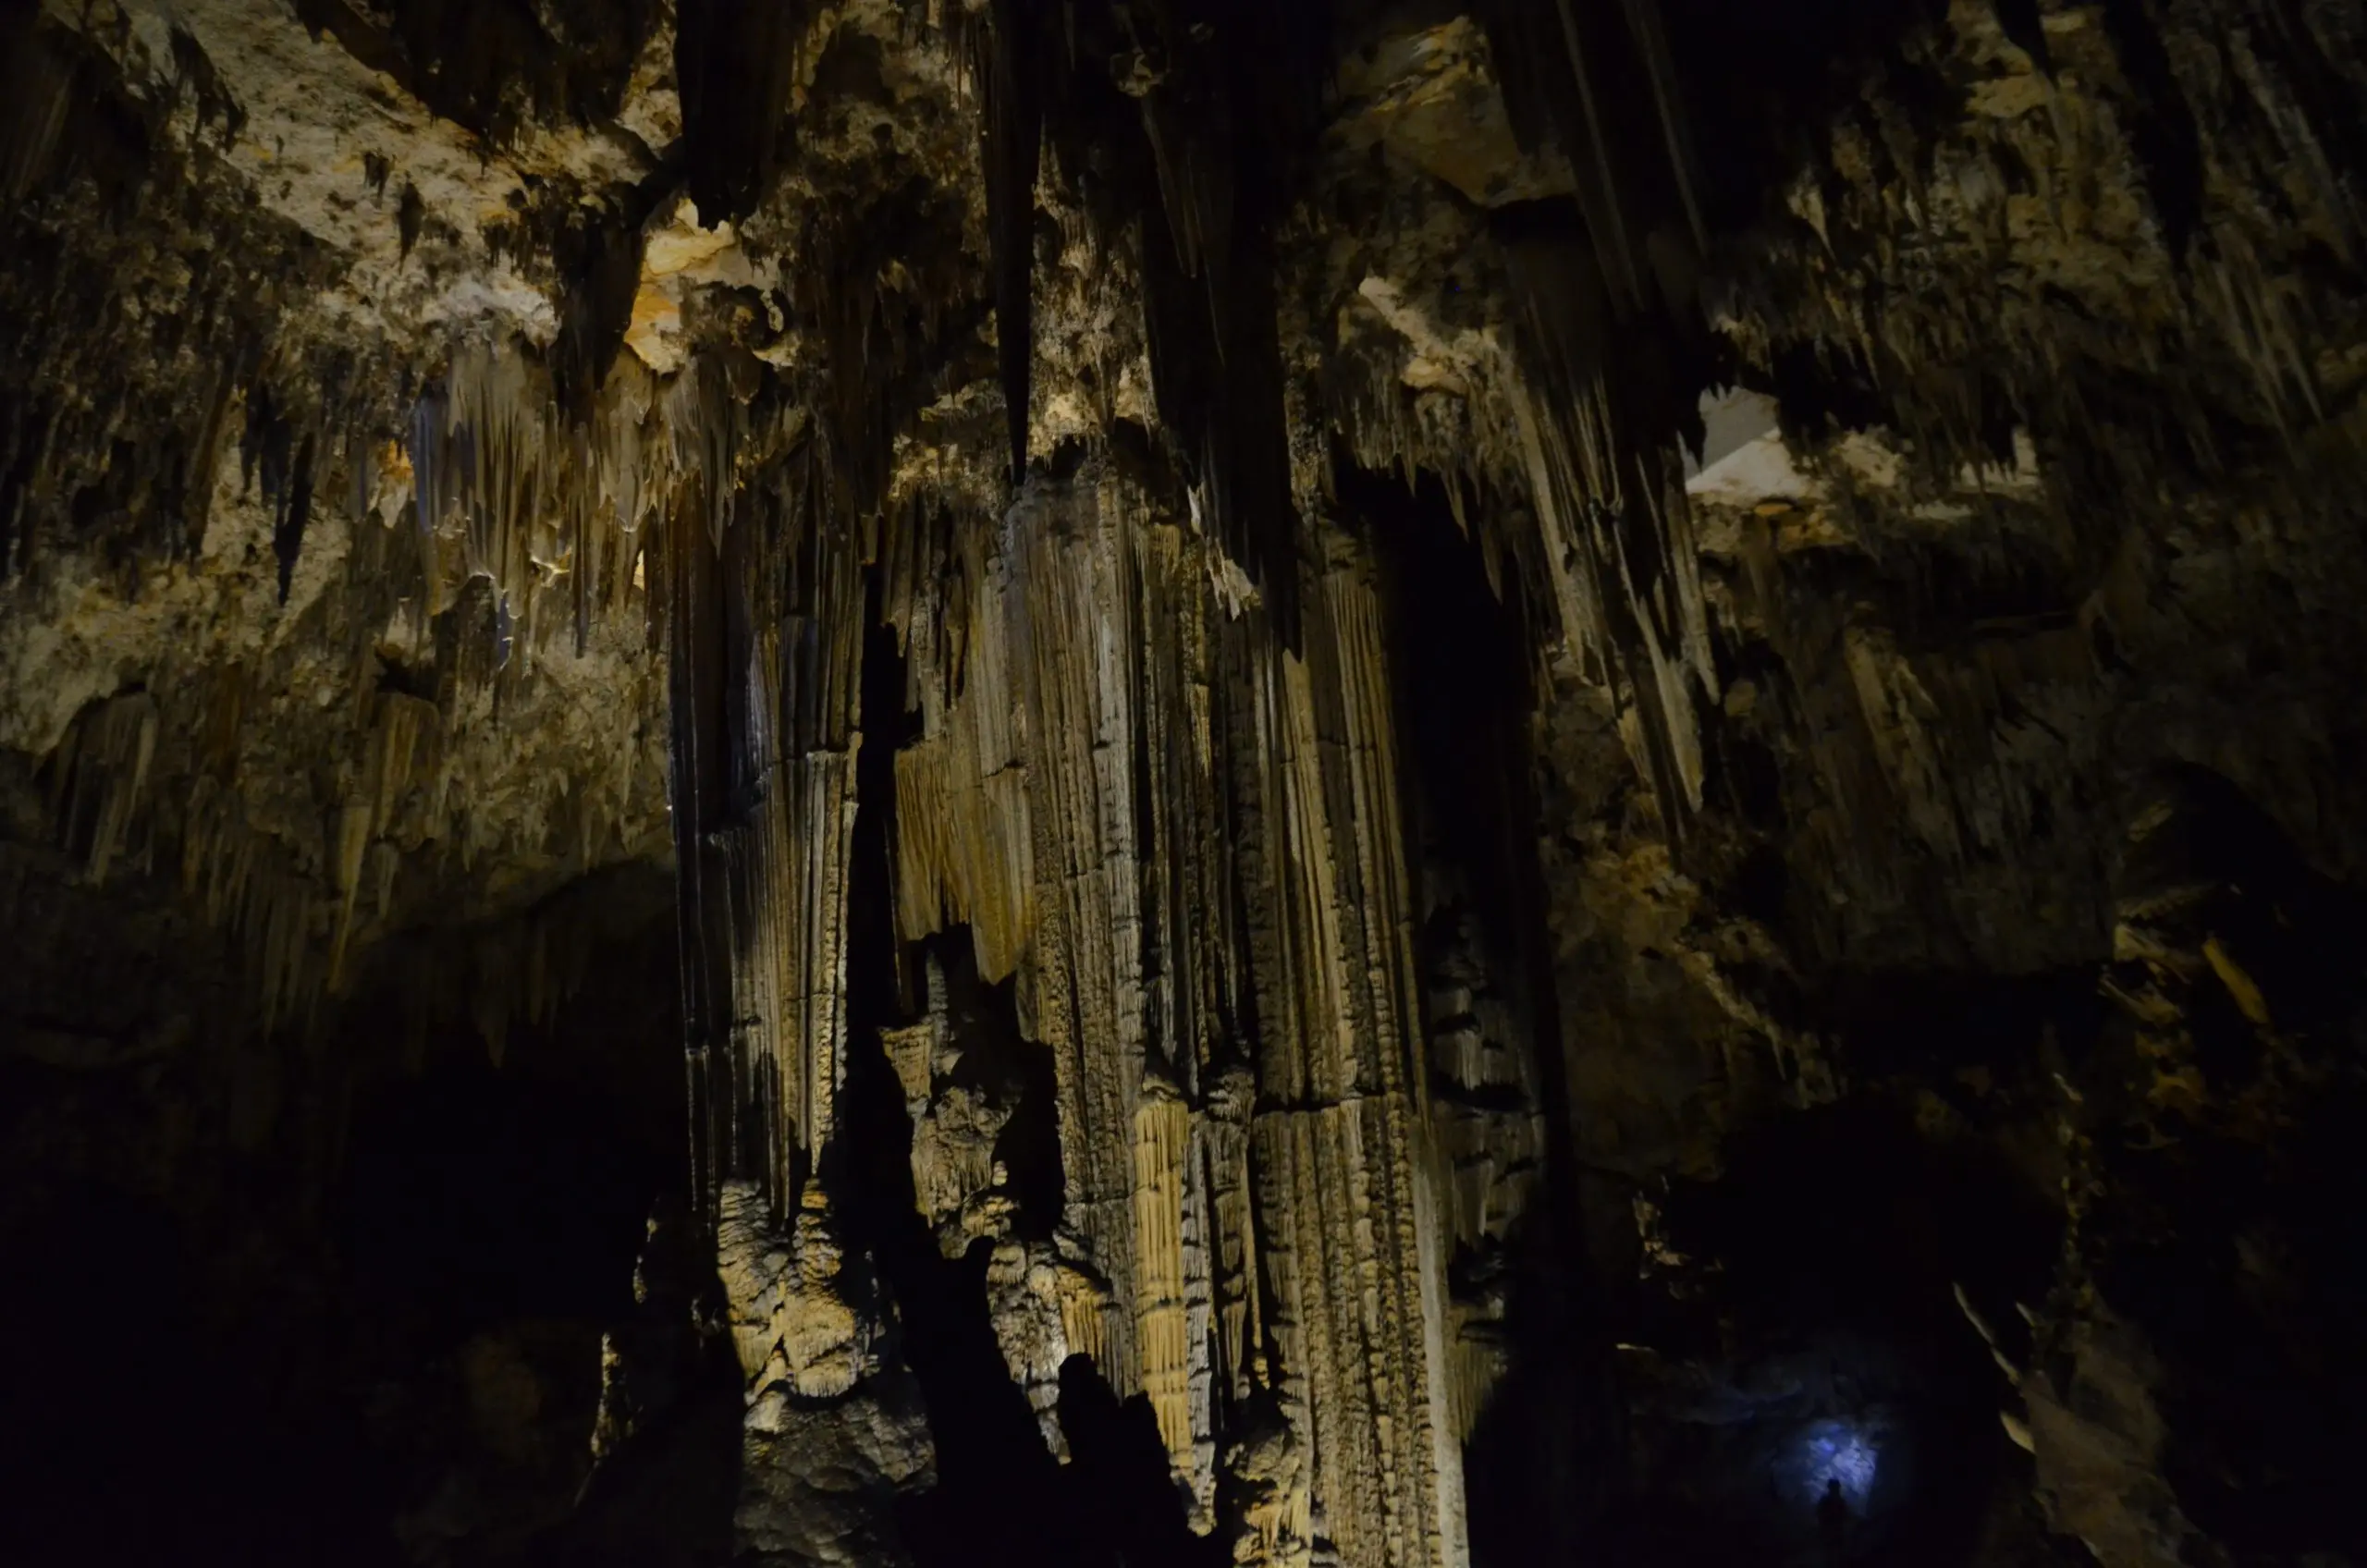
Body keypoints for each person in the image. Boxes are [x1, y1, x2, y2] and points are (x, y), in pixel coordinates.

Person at [1817, 1476, 1850, 1563]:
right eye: (1836, 1487)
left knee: (1833, 1554)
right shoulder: (1837, 1501)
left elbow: (1846, 1515)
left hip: (1834, 1531)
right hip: (1832, 1531)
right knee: (1832, 1554)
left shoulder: (1837, 1501)